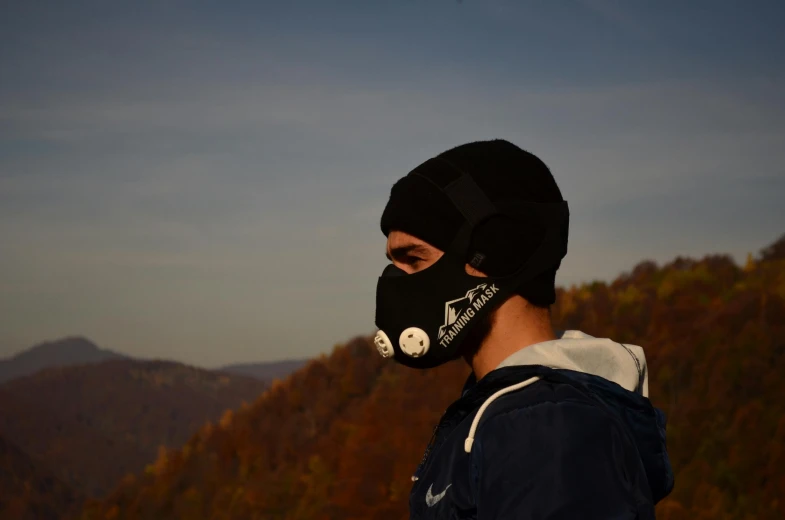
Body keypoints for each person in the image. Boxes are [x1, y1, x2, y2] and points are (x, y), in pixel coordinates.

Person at [373, 139, 674, 519]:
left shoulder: (545, 430)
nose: (395, 285)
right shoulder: (510, 413)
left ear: (494, 254)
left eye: (414, 259)